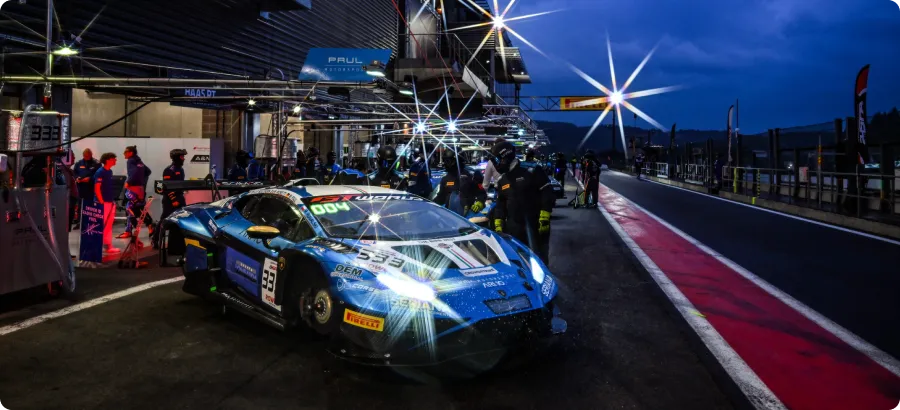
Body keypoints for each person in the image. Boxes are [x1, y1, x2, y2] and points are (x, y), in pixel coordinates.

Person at [491, 141, 555, 264]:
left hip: (536, 225)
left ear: (505, 156)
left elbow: (547, 193)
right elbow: (500, 204)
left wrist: (545, 216)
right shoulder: (502, 180)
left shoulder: (532, 171)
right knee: (518, 262)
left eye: (497, 160)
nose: (495, 164)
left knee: (539, 261)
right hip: (513, 229)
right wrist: (498, 223)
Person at [433, 149, 486, 217]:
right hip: (450, 215)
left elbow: (481, 193)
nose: (445, 163)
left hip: (468, 215)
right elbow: (440, 198)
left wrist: (479, 203)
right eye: (445, 161)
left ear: (457, 160)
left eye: (448, 161)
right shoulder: (445, 179)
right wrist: (430, 205)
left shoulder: (470, 176)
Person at [153, 149, 187, 248]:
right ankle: (155, 240)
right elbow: (167, 188)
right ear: (176, 157)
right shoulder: (169, 170)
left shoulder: (180, 169)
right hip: (170, 201)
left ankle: (179, 243)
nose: (183, 159)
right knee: (164, 221)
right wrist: (174, 200)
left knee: (183, 219)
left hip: (180, 198)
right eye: (182, 157)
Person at [119, 146, 154, 240]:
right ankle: (150, 225)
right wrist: (141, 182)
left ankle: (130, 230)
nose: (124, 154)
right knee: (139, 208)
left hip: (133, 189)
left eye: (125, 152)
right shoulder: (139, 161)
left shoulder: (130, 161)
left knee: (130, 208)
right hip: (140, 189)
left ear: (131, 152)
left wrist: (129, 182)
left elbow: (135, 172)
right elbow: (148, 171)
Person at [94, 153, 121, 255]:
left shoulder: (109, 171)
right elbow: (97, 188)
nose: (115, 161)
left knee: (108, 225)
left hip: (109, 202)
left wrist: (112, 201)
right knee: (100, 225)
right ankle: (96, 247)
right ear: (108, 160)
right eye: (114, 159)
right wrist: (101, 202)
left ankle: (108, 245)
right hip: (103, 203)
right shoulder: (100, 172)